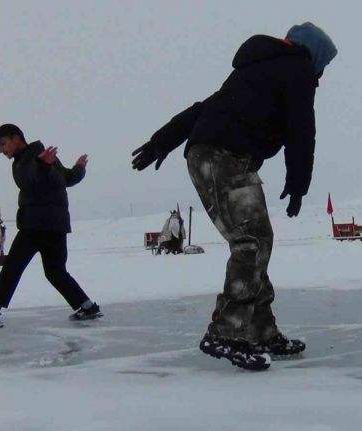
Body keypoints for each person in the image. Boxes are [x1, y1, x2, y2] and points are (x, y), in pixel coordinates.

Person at [132, 22, 337, 370]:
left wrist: (162, 140)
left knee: (258, 240)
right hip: (221, 157)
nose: (321, 73)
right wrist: (299, 182)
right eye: (323, 65)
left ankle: (260, 329)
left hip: (214, 156)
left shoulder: (256, 71)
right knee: (251, 242)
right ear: (313, 53)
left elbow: (202, 108)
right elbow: (302, 128)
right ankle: (225, 331)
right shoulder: (296, 68)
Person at [0, 124, 102, 328]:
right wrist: (79, 168)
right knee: (55, 271)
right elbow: (66, 178)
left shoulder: (28, 160)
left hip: (36, 225)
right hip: (56, 225)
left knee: (12, 268)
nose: (2, 150)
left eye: (3, 144)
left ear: (16, 138)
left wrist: (47, 166)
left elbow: (32, 178)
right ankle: (87, 306)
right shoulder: (40, 156)